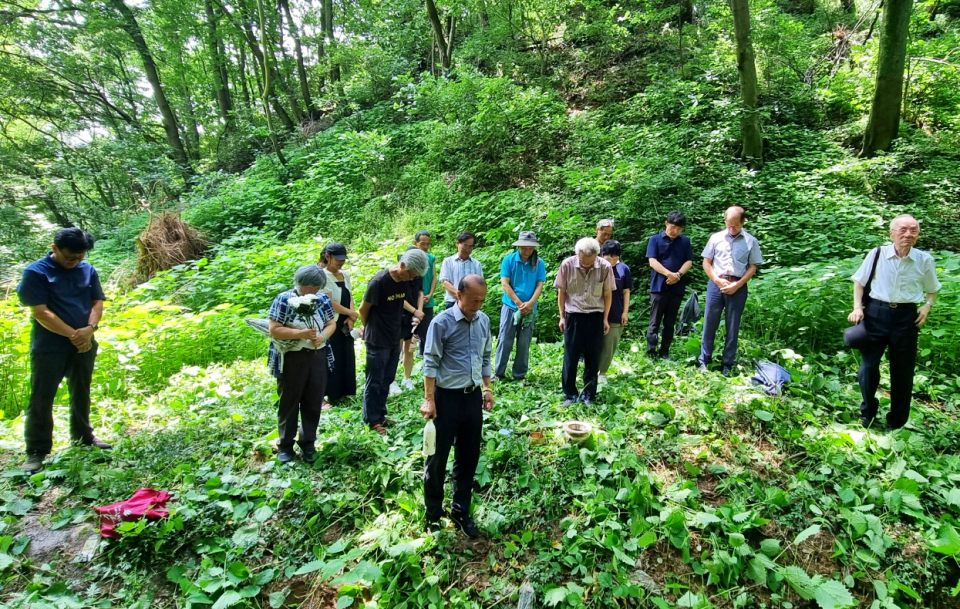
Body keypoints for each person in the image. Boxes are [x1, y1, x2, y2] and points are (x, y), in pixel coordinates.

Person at [16, 228, 111, 473]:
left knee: (81, 390)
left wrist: (89, 329)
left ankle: (83, 437)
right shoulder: (36, 272)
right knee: (42, 395)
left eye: (79, 257)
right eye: (69, 257)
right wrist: (74, 335)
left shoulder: (87, 269)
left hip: (85, 342)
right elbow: (40, 312)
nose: (75, 262)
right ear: (55, 248)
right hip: (49, 346)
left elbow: (97, 302)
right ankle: (36, 450)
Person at [848, 214, 940, 430]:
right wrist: (857, 307)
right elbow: (859, 283)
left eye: (913, 230)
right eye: (903, 229)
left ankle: (896, 422)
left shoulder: (924, 260)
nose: (908, 234)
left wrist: (927, 306)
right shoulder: (877, 253)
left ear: (918, 235)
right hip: (876, 314)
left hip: (906, 318)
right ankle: (867, 413)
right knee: (868, 367)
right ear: (892, 233)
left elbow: (933, 289)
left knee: (903, 371)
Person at [421, 274, 493, 538]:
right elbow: (430, 362)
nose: (478, 305)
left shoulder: (483, 321)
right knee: (437, 458)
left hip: (472, 398)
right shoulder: (441, 323)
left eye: (482, 301)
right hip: (446, 398)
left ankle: (461, 510)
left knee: (468, 456)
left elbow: (485, 357)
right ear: (459, 295)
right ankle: (433, 513)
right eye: (474, 300)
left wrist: (487, 389)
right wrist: (429, 398)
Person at [267, 265, 337, 463]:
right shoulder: (284, 299)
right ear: (300, 283)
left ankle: (308, 443)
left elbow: (331, 323)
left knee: (314, 401)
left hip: (317, 356)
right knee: (289, 402)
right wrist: (301, 334)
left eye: (316, 287)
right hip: (292, 357)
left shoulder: (322, 299)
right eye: (310, 286)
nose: (313, 290)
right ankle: (285, 445)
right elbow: (274, 329)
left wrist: (322, 336)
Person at [360, 248, 428, 434]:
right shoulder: (379, 282)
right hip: (377, 338)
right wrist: (370, 328)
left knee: (388, 378)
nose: (412, 278)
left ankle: (380, 415)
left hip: (394, 335)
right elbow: (363, 309)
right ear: (402, 265)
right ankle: (371, 420)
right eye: (411, 274)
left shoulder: (405, 282)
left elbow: (400, 304)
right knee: (375, 380)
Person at [698, 206, 763, 375]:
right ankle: (704, 360)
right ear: (725, 220)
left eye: (736, 225)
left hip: (738, 286)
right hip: (716, 284)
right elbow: (706, 262)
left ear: (743, 222)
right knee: (709, 323)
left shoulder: (751, 241)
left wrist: (738, 284)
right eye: (729, 224)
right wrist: (717, 280)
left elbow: (753, 267)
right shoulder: (716, 238)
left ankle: (727, 364)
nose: (732, 228)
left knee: (733, 325)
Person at [555, 237, 614, 405]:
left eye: (590, 262)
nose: (586, 265)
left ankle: (589, 394)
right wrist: (562, 316)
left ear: (596, 255)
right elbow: (562, 293)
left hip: (595, 315)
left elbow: (608, 294)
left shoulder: (605, 267)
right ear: (577, 254)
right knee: (571, 356)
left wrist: (605, 319)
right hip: (573, 315)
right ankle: (570, 394)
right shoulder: (567, 265)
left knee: (593, 357)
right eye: (583, 262)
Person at [495, 231, 546, 382]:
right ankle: (498, 373)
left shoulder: (539, 263)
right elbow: (505, 283)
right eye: (524, 247)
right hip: (510, 306)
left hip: (530, 309)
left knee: (524, 342)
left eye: (530, 248)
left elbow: (540, 285)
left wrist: (530, 304)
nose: (527, 251)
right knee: (505, 339)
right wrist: (518, 303)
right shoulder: (509, 260)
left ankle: (519, 375)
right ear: (519, 246)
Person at [645, 211, 694, 359]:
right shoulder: (655, 239)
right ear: (666, 223)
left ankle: (665, 352)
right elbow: (652, 261)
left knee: (670, 322)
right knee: (654, 321)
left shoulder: (685, 241)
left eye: (679, 229)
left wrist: (678, 275)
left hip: (677, 287)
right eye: (673, 227)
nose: (675, 231)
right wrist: (669, 274)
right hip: (659, 287)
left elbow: (689, 261)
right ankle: (651, 351)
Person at [319, 243, 358, 408]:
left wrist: (351, 317)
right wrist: (350, 313)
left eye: (343, 260)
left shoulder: (345, 275)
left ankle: (344, 392)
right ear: (328, 257)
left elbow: (350, 296)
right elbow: (330, 302)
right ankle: (329, 393)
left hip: (345, 322)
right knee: (331, 357)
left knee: (346, 356)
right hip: (331, 322)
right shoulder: (322, 276)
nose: (341, 263)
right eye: (338, 260)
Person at [598, 240, 633, 385]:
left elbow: (626, 292)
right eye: (609, 255)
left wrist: (625, 312)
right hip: (596, 311)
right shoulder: (596, 266)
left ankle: (602, 373)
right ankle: (591, 370)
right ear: (602, 254)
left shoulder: (624, 269)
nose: (612, 259)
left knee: (609, 345)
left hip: (615, 312)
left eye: (615, 256)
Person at [396, 247, 425, 393]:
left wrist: (419, 311)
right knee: (396, 349)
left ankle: (407, 378)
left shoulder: (418, 275)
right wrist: (414, 311)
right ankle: (391, 380)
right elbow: (399, 299)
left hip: (414, 318)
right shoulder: (401, 275)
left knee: (411, 349)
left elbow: (420, 293)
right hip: (400, 316)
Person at [439, 232, 483, 310]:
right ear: (457, 244)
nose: (467, 249)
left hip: (472, 303)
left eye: (470, 246)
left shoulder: (476, 264)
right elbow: (445, 282)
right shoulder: (448, 261)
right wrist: (461, 296)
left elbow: (479, 284)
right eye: (465, 245)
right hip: (452, 303)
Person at [413, 231, 438, 357]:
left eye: (427, 244)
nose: (425, 247)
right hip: (413, 300)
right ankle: (407, 355)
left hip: (427, 300)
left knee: (427, 329)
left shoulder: (431, 258)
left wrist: (430, 294)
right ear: (415, 243)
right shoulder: (411, 258)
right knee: (411, 329)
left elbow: (434, 277)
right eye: (422, 243)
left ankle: (424, 354)